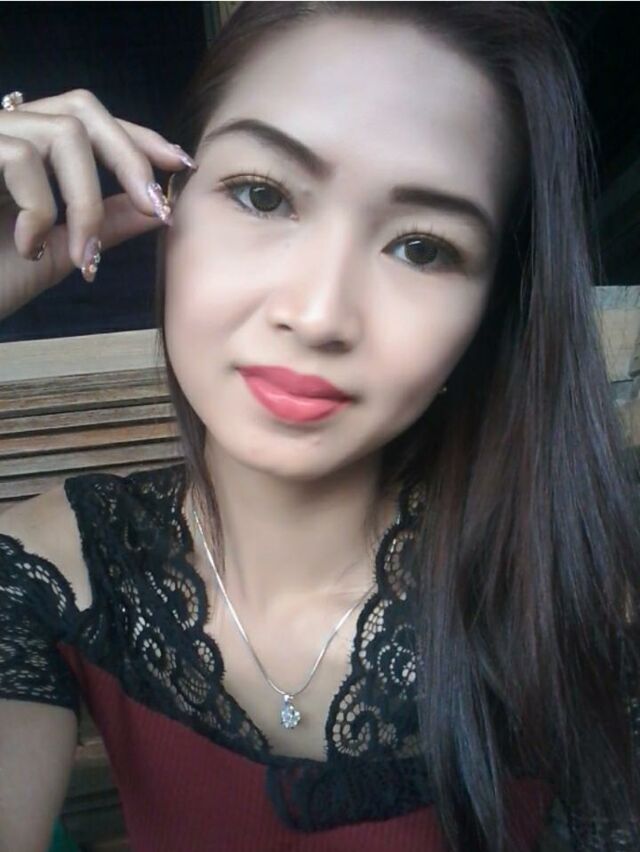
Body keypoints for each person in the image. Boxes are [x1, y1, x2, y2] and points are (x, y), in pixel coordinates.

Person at [0, 3, 638, 850]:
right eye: (262, 195)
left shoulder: (578, 589)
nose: (318, 314)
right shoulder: (53, 568)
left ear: (490, 311)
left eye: (422, 248)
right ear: (167, 198)